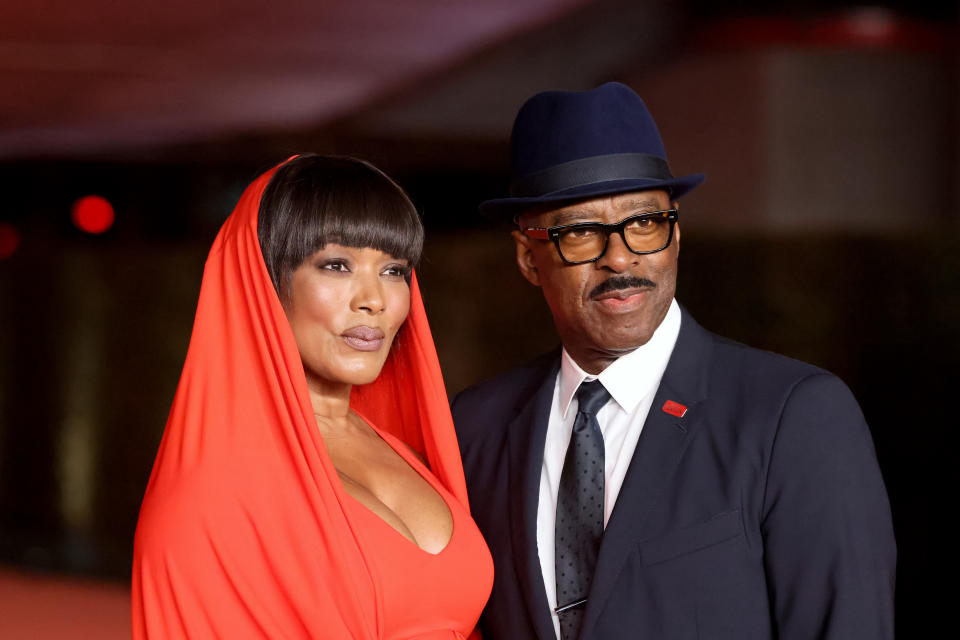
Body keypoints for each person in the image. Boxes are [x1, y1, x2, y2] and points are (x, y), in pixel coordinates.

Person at [452, 82, 895, 640]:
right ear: (528, 258)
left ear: (676, 233)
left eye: (644, 223)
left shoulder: (793, 415)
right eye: (582, 232)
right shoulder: (473, 430)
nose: (620, 258)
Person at [132, 154, 493, 639]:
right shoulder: (208, 498)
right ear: (264, 282)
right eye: (337, 265)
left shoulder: (407, 453)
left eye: (394, 270)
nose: (375, 299)